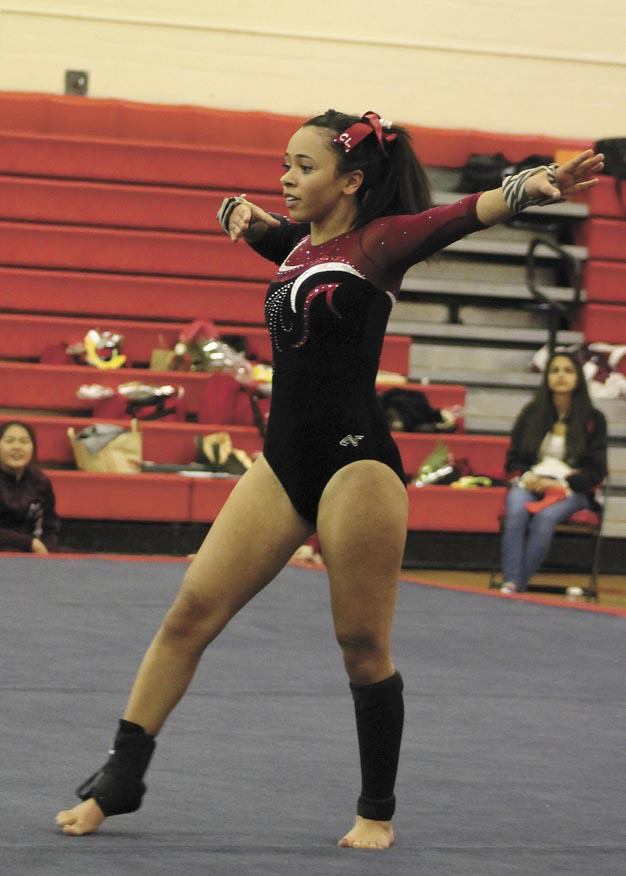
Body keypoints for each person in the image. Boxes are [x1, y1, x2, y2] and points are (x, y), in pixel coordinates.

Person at [55, 109, 603, 850]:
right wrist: (249, 222)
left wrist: (530, 188)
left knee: (359, 643)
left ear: (349, 181)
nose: (285, 176)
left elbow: (457, 216)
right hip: (284, 464)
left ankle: (376, 809)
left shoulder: (380, 243)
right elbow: (288, 249)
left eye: (303, 166)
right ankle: (122, 774)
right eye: (284, 163)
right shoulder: (300, 245)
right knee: (189, 614)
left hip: (357, 466)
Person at [499, 350, 608, 594]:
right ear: (546, 377)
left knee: (545, 519)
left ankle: (516, 585)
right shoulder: (531, 413)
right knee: (516, 511)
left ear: (578, 377)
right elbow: (513, 458)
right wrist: (527, 477)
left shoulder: (593, 419)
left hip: (569, 489)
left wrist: (564, 484)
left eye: (568, 371)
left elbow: (597, 468)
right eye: (555, 370)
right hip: (531, 482)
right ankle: (511, 582)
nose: (561, 376)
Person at [0, 420, 60, 554]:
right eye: (9, 441)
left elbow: (50, 527)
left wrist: (48, 553)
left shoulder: (40, 482)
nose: (17, 447)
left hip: (31, 558)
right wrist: (30, 543)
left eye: (24, 441)